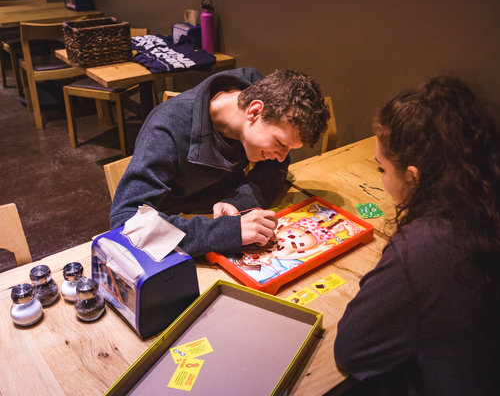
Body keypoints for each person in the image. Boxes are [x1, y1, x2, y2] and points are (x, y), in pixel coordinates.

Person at [334, 76, 500, 395]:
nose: (382, 180)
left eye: (382, 169)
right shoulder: (483, 200)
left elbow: (352, 348)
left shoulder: (427, 245)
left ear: (413, 176)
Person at [110, 67, 329, 257]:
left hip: (227, 223)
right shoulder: (166, 130)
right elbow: (126, 222)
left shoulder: (255, 86)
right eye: (279, 143)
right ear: (254, 111)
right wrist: (227, 232)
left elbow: (274, 167)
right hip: (179, 239)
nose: (283, 156)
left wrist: (240, 202)